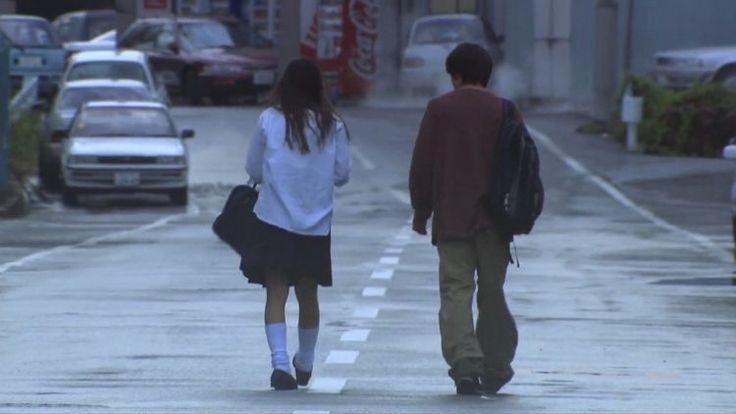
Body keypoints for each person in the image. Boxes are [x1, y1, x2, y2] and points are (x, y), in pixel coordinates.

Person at [409, 43, 519, 395]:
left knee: (456, 290)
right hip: (496, 220)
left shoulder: (439, 109)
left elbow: (423, 163)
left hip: (453, 217)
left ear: (455, 75)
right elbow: (522, 165)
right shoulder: (505, 110)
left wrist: (421, 210)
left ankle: (465, 365)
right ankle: (497, 364)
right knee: (492, 293)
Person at [244, 58, 351, 390]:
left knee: (276, 291)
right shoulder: (333, 124)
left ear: (285, 86)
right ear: (319, 88)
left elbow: (253, 169)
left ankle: (279, 363)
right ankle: (304, 360)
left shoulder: (268, 120)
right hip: (315, 224)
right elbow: (342, 175)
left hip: (274, 219)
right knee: (309, 293)